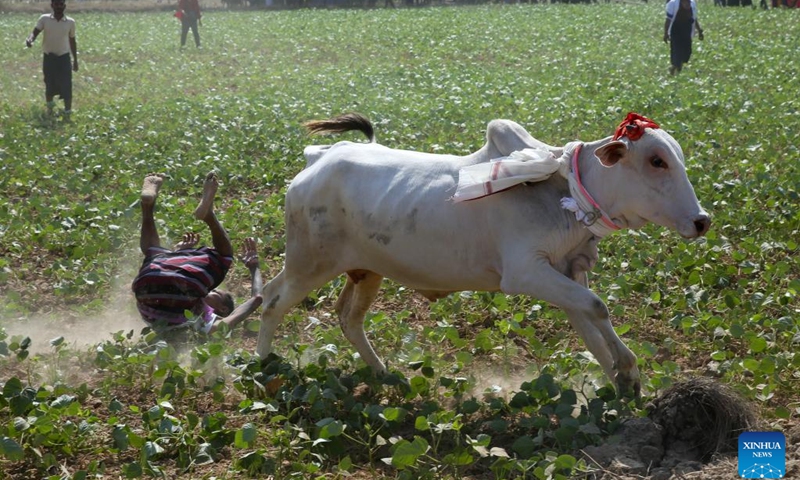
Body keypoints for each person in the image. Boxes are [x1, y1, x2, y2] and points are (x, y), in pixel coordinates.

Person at [132, 172, 263, 335]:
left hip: (150, 285)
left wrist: (254, 267)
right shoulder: (201, 328)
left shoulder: (210, 324)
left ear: (222, 309)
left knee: (225, 257)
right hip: (145, 288)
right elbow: (173, 282)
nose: (210, 290)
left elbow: (257, 299)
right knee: (153, 254)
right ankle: (147, 204)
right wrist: (179, 254)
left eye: (215, 292)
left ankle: (207, 215)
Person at [25, 0, 79, 119]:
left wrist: (75, 59)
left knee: (67, 85)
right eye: (56, 4)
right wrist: (30, 40)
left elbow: (72, 40)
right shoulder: (44, 19)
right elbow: (34, 32)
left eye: (61, 4)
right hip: (49, 57)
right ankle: (50, 110)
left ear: (64, 6)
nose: (59, 6)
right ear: (52, 5)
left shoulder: (70, 22)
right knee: (49, 83)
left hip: (64, 58)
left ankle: (67, 112)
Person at [664, 0, 704, 75]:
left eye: (688, 3)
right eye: (685, 3)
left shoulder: (692, 4)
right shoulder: (673, 4)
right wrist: (666, 33)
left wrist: (699, 31)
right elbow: (668, 20)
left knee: (687, 53)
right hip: (676, 30)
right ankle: (674, 69)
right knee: (677, 51)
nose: (687, 4)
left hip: (686, 30)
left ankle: (677, 67)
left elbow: (694, 19)